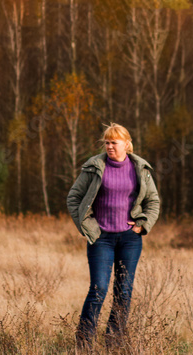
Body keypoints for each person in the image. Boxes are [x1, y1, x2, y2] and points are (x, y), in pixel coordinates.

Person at [66, 123, 161, 350]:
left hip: (130, 240)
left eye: (114, 142)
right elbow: (74, 198)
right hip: (102, 239)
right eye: (106, 142)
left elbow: (153, 202)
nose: (109, 146)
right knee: (98, 289)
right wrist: (88, 226)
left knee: (124, 291)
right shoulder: (94, 167)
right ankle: (84, 342)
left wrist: (142, 224)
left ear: (126, 144)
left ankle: (113, 342)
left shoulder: (140, 169)